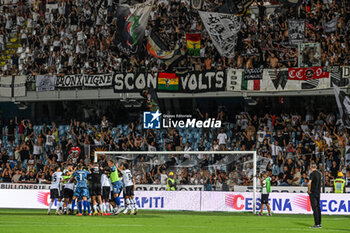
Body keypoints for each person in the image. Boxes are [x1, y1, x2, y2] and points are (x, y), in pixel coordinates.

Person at [308, 163, 322, 228]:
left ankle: (316, 224)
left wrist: (309, 190)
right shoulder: (319, 174)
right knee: (318, 207)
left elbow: (309, 183)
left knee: (314, 208)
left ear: (311, 167)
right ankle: (319, 223)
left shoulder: (312, 174)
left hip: (313, 192)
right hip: (318, 192)